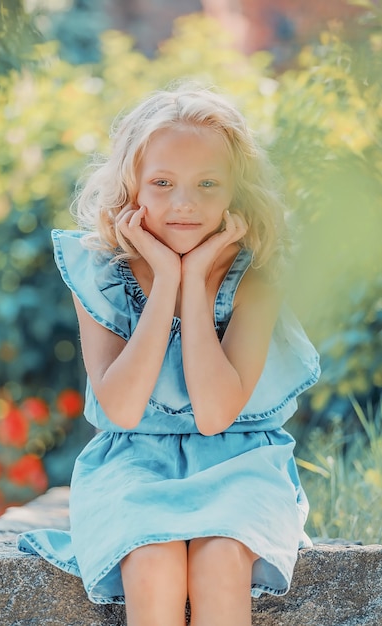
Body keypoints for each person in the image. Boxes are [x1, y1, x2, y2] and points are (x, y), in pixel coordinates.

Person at [17, 83, 320, 626]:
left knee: (221, 556)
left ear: (235, 193)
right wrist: (165, 285)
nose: (185, 203)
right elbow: (123, 409)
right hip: (133, 462)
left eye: (208, 184)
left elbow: (214, 413)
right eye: (162, 183)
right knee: (152, 559)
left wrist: (198, 280)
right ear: (132, 186)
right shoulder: (101, 273)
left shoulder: (256, 279)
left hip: (240, 459)